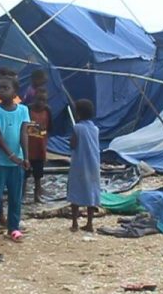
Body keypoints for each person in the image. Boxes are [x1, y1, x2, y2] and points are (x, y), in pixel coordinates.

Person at [0, 75, 30, 242]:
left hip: (17, 162)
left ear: (15, 92)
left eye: (6, 88)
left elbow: (23, 134)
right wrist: (11, 155)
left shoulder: (23, 110)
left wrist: (25, 157)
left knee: (15, 196)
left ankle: (14, 227)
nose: (1, 91)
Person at [68, 99, 100, 232]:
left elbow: (73, 144)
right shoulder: (95, 129)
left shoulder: (77, 128)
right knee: (91, 191)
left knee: (75, 190)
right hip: (93, 164)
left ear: (78, 114)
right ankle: (90, 223)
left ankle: (74, 223)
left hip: (79, 165)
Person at [26, 87, 52, 203]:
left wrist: (42, 133)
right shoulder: (28, 109)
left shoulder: (47, 111)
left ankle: (37, 195)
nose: (41, 103)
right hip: (27, 147)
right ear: (34, 98)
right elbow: (24, 127)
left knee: (38, 174)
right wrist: (36, 131)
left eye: (44, 100)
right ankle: (21, 194)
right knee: (24, 174)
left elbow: (49, 128)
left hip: (40, 148)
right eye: (39, 99)